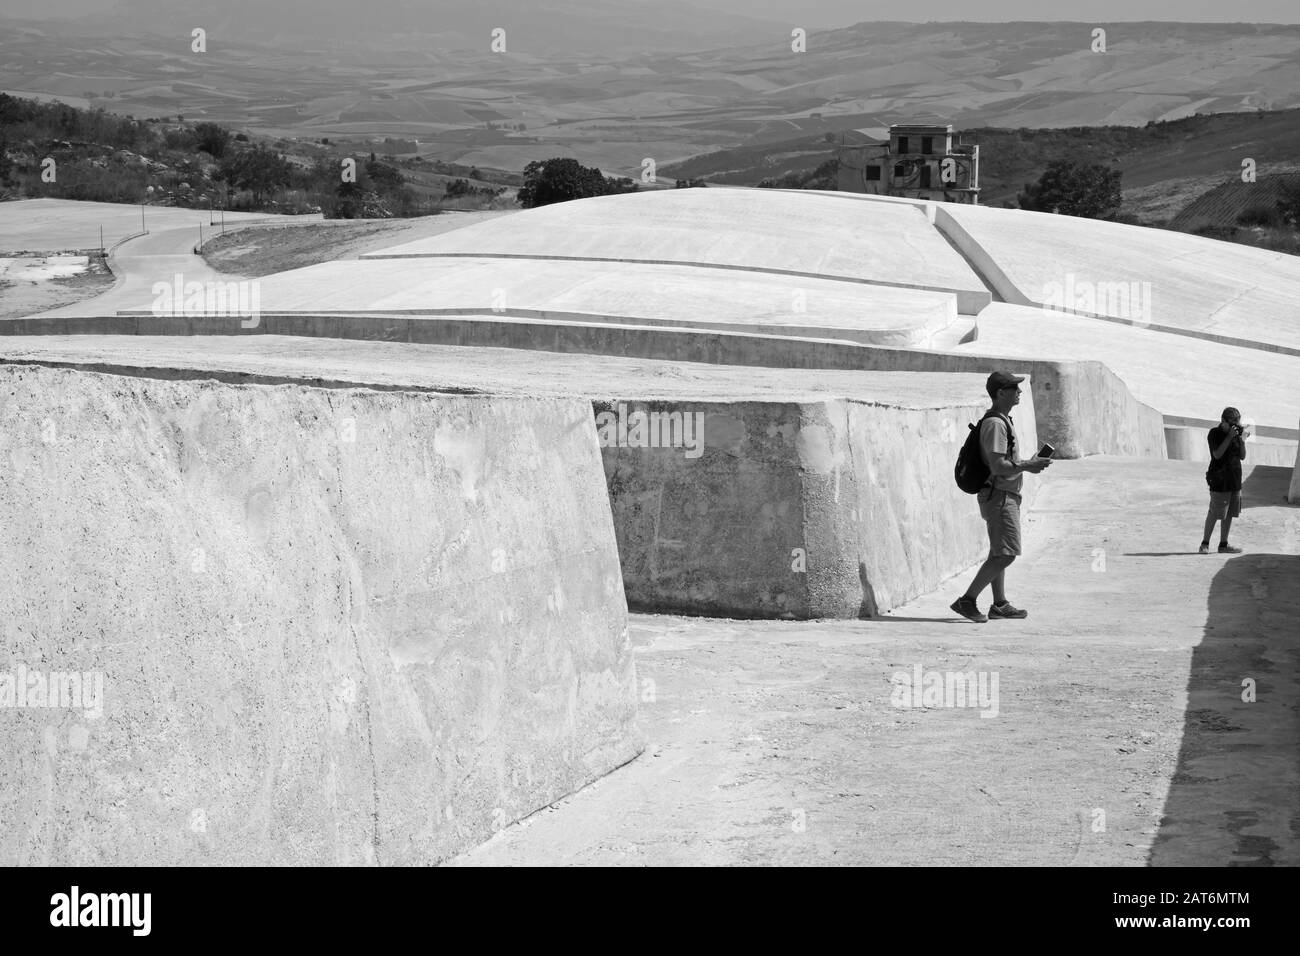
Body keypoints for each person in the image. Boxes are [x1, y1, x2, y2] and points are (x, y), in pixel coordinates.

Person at [951, 371, 1052, 623]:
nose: (1019, 392)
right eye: (1014, 388)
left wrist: (1027, 464)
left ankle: (999, 604)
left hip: (1002, 494)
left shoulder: (1002, 420)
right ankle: (967, 600)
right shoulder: (996, 424)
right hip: (999, 496)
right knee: (1006, 554)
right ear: (1000, 393)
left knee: (998, 551)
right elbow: (998, 466)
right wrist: (1028, 465)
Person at [1200, 407, 1248, 554]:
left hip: (1234, 480)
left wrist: (1242, 440)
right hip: (1219, 479)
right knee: (1215, 512)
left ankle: (1223, 545)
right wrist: (1229, 437)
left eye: (1237, 423)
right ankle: (1204, 544)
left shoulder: (1236, 434)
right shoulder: (1214, 433)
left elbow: (1242, 456)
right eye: (1232, 423)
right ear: (1223, 421)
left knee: (1229, 513)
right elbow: (1217, 454)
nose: (1235, 426)